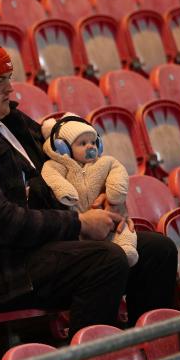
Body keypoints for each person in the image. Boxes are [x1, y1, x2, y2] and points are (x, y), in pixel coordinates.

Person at [0, 19, 178, 335]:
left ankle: (154, 352)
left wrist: (92, 197)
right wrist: (79, 223)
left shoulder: (8, 121)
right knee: (106, 261)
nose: (10, 89)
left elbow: (65, 167)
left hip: (46, 247)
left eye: (8, 79)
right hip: (3, 270)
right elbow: (2, 223)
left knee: (157, 251)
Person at [40, 113, 138, 266]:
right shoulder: (59, 166)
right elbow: (51, 175)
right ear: (63, 147)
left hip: (109, 220)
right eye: (83, 143)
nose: (90, 146)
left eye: (93, 142)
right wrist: (65, 191)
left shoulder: (106, 162)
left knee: (126, 231)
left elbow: (118, 172)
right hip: (81, 226)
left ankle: (127, 248)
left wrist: (115, 194)